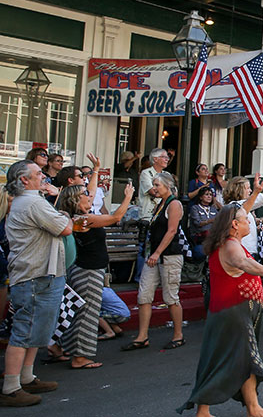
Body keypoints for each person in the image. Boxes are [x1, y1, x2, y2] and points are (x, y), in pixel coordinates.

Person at [177, 204, 263, 417]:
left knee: (232, 360)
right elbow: (240, 262)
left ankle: (208, 411)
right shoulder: (230, 246)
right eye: (245, 219)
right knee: (246, 360)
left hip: (236, 313)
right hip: (232, 313)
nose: (249, 222)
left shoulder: (232, 244)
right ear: (235, 224)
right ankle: (251, 409)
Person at [0, 160, 73, 407]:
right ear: (24, 180)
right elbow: (65, 228)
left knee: (37, 329)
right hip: (34, 275)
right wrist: (64, 213)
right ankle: (10, 388)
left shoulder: (33, 201)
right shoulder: (31, 202)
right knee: (25, 330)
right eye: (39, 173)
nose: (44, 177)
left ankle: (26, 377)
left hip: (41, 273)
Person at [58, 182, 134, 369]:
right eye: (85, 194)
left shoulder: (80, 217)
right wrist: (128, 197)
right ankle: (80, 357)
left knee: (83, 312)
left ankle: (69, 350)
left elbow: (91, 192)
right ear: (76, 199)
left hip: (88, 269)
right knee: (87, 315)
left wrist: (96, 170)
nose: (90, 195)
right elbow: (116, 216)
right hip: (87, 271)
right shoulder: (83, 219)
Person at [123, 172, 186, 352]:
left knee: (170, 296)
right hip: (154, 255)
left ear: (167, 185)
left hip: (169, 256)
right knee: (144, 294)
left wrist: (157, 253)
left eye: (157, 185)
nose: (155, 188)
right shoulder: (159, 205)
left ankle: (178, 334)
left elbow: (172, 230)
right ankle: (142, 336)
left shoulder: (174, 204)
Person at [188, 187, 219, 259]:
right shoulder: (195, 208)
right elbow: (197, 223)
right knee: (200, 251)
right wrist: (210, 221)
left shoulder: (213, 209)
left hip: (212, 238)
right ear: (200, 197)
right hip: (199, 239)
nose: (209, 196)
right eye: (206, 194)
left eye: (211, 195)